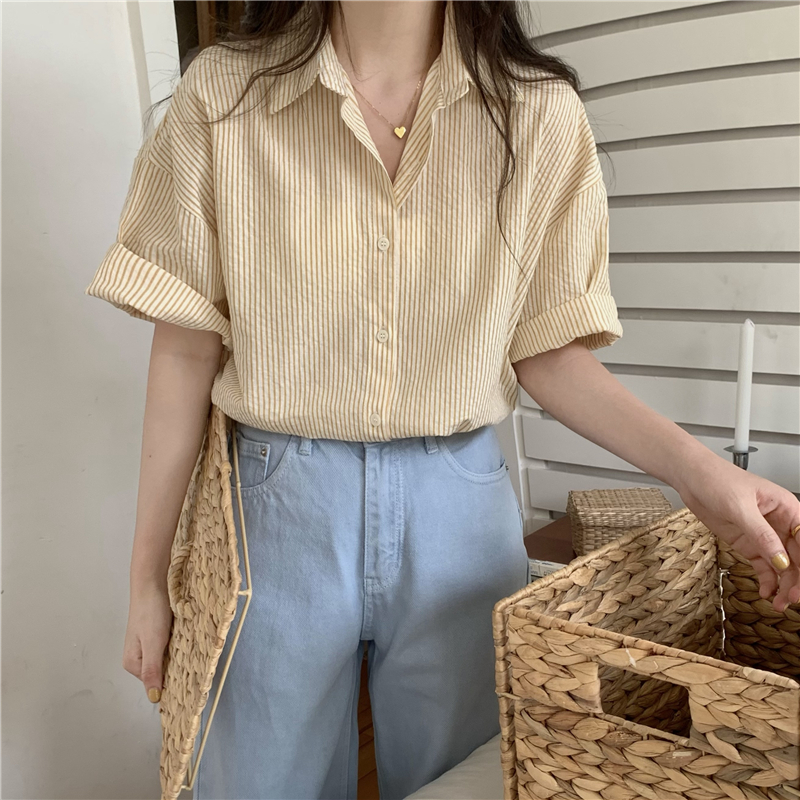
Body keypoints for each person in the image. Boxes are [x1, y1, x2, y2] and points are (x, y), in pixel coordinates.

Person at [85, 1, 800, 798]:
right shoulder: (224, 97)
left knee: (468, 782)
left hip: (458, 507)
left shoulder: (538, 114)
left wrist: (704, 475)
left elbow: (549, 354)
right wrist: (148, 581)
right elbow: (185, 350)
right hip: (274, 513)